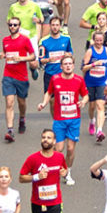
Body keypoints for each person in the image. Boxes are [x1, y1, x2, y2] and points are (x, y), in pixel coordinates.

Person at [20, 129, 68, 213]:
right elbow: (21, 177)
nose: (45, 140)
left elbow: (64, 170)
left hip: (55, 202)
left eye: (49, 138)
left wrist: (65, 173)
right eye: (43, 137)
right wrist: (36, 177)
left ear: (54, 142)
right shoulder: (33, 158)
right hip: (38, 202)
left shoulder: (59, 157)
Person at [38, 53, 88, 185]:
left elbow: (86, 95)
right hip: (59, 119)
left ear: (73, 65)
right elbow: (49, 93)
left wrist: (83, 102)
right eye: (65, 64)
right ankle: (55, 170)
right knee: (58, 148)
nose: (67, 66)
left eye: (70, 64)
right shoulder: (55, 79)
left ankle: (67, 171)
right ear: (61, 66)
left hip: (74, 119)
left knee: (70, 149)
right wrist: (43, 103)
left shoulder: (78, 80)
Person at [0, 16, 38, 144]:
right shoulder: (5, 40)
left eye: (15, 25)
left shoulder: (25, 40)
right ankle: (10, 129)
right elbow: (6, 53)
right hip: (8, 75)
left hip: (21, 76)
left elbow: (33, 55)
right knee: (9, 102)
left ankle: (22, 118)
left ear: (19, 27)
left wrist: (21, 59)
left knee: (21, 102)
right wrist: (3, 55)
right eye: (10, 25)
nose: (12, 27)